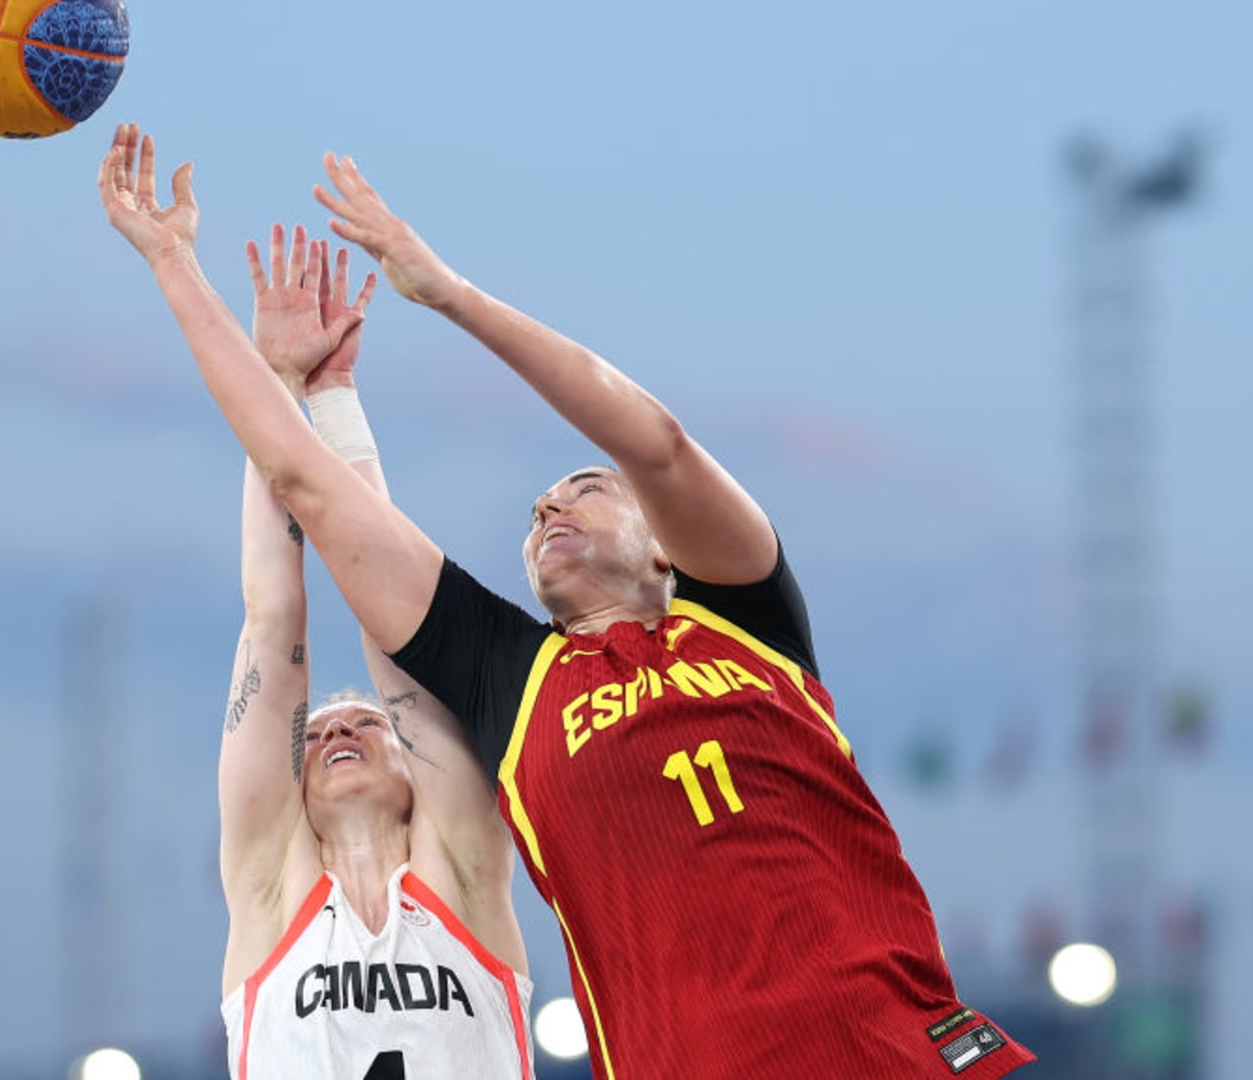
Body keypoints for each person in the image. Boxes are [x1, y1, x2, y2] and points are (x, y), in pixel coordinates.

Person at [100, 123, 1032, 1078]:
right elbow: (312, 491)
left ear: (663, 545)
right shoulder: (514, 683)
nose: (549, 505)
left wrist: (448, 293)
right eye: (537, 509)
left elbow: (657, 443)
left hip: (897, 1050)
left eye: (584, 487)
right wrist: (184, 274)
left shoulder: (745, 616)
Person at [212, 221, 533, 1079]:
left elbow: (398, 610)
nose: (336, 733)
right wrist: (278, 383)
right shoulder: (269, 891)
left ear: (415, 772)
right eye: (317, 734)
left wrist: (336, 394)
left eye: (364, 722)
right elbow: (272, 616)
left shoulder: (464, 870)